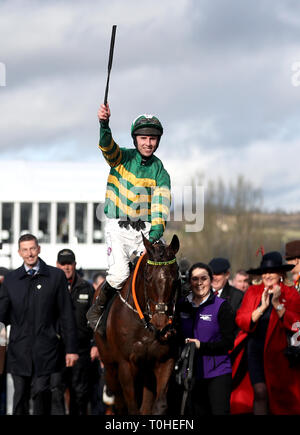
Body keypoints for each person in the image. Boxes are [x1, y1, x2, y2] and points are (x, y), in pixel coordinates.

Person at [87, 103, 171, 335]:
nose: (148, 143)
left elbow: (161, 206)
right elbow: (107, 147)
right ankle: (98, 310)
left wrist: (153, 235)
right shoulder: (121, 158)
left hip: (146, 232)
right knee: (120, 274)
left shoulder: (160, 171)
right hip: (118, 229)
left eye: (153, 139)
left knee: (164, 270)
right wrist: (104, 124)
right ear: (135, 139)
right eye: (144, 137)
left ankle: (174, 316)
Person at [0, 234, 78, 415]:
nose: (29, 254)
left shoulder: (56, 276)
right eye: (25, 250)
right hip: (19, 352)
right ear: (19, 253)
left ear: (39, 249)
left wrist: (71, 349)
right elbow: (2, 314)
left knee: (41, 395)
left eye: (32, 249)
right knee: (19, 397)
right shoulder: (11, 280)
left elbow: (67, 315)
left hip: (47, 350)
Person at [230, 251, 300, 415]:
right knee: (260, 392)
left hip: (281, 355)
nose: (267, 275)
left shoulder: (291, 294)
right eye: (265, 272)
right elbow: (241, 319)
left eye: (272, 271)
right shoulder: (253, 291)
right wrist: (261, 308)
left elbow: (297, 323)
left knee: (279, 398)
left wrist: (277, 304)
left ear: (281, 273)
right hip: (255, 350)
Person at [176, 262, 235, 415]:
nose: (199, 283)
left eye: (204, 278)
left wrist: (201, 346)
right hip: (191, 373)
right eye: (195, 279)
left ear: (210, 280)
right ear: (189, 281)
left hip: (217, 372)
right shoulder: (181, 305)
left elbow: (228, 343)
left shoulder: (222, 306)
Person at [55, 249, 99, 415]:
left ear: (74, 265)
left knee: (80, 393)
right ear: (57, 265)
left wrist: (95, 344)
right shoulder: (51, 287)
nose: (66, 267)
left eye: (69, 264)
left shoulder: (86, 288)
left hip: (82, 349)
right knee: (56, 391)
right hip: (57, 349)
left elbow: (96, 320)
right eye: (63, 264)